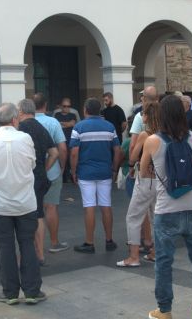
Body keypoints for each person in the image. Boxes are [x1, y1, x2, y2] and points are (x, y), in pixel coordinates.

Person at [143, 95, 192, 319]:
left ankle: (164, 310)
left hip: (166, 209)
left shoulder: (153, 140)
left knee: (164, 262)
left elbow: (144, 171)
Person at [0, 103, 46, 305]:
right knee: (27, 244)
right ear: (15, 119)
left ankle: (9, 292)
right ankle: (32, 291)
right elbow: (33, 164)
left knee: (5, 247)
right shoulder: (25, 138)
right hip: (25, 202)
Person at [70, 98, 123, 254]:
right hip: (105, 172)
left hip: (86, 173)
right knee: (106, 205)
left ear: (86, 110)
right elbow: (118, 150)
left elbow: (74, 153)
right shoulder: (109, 126)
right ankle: (109, 240)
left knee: (89, 206)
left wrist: (73, 171)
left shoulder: (79, 127)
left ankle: (89, 242)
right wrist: (114, 169)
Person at [16, 99, 58, 266]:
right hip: (40, 175)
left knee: (24, 215)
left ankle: (27, 255)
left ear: (20, 112)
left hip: (26, 176)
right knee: (39, 213)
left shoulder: (21, 128)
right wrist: (45, 168)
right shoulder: (41, 127)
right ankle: (40, 254)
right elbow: (54, 152)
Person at [118, 101, 159, 267]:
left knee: (133, 216)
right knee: (156, 217)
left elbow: (133, 157)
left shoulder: (145, 134)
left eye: (143, 114)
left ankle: (133, 256)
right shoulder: (165, 134)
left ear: (148, 116)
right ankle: (156, 252)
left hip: (145, 179)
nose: (142, 116)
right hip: (161, 180)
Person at [33, 93, 70, 253]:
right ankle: (54, 243)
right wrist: (62, 166)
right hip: (52, 169)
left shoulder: (26, 123)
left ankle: (36, 246)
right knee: (51, 207)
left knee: (34, 210)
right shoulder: (53, 122)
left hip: (32, 171)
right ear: (45, 105)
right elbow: (62, 147)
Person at [54, 97, 78, 182]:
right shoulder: (57, 115)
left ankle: (72, 177)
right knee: (61, 160)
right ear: (61, 106)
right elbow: (60, 125)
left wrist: (63, 123)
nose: (66, 108)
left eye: (68, 106)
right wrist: (68, 124)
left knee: (71, 158)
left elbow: (73, 124)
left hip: (70, 140)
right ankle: (63, 178)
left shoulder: (73, 115)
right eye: (64, 106)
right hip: (60, 141)